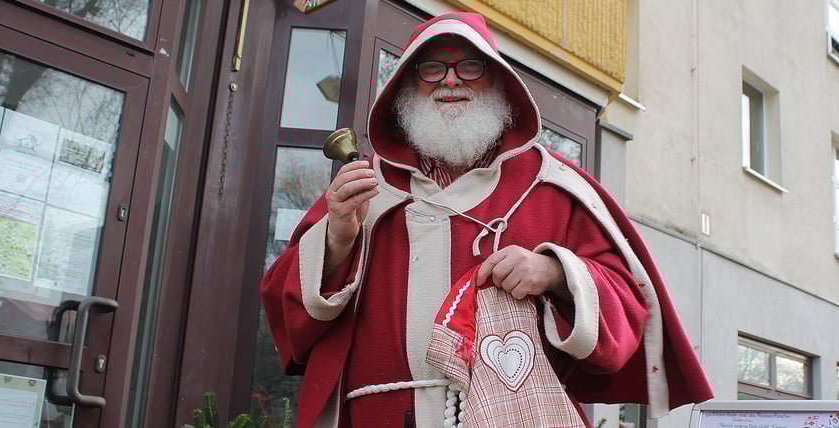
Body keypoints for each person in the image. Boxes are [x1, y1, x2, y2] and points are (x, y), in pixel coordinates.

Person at [260, 12, 713, 428]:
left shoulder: (551, 185)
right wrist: (338, 236)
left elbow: (627, 307)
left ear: (499, 83)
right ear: (404, 88)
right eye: (431, 69)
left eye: (470, 67)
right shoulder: (365, 186)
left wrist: (555, 272)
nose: (450, 82)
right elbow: (284, 307)